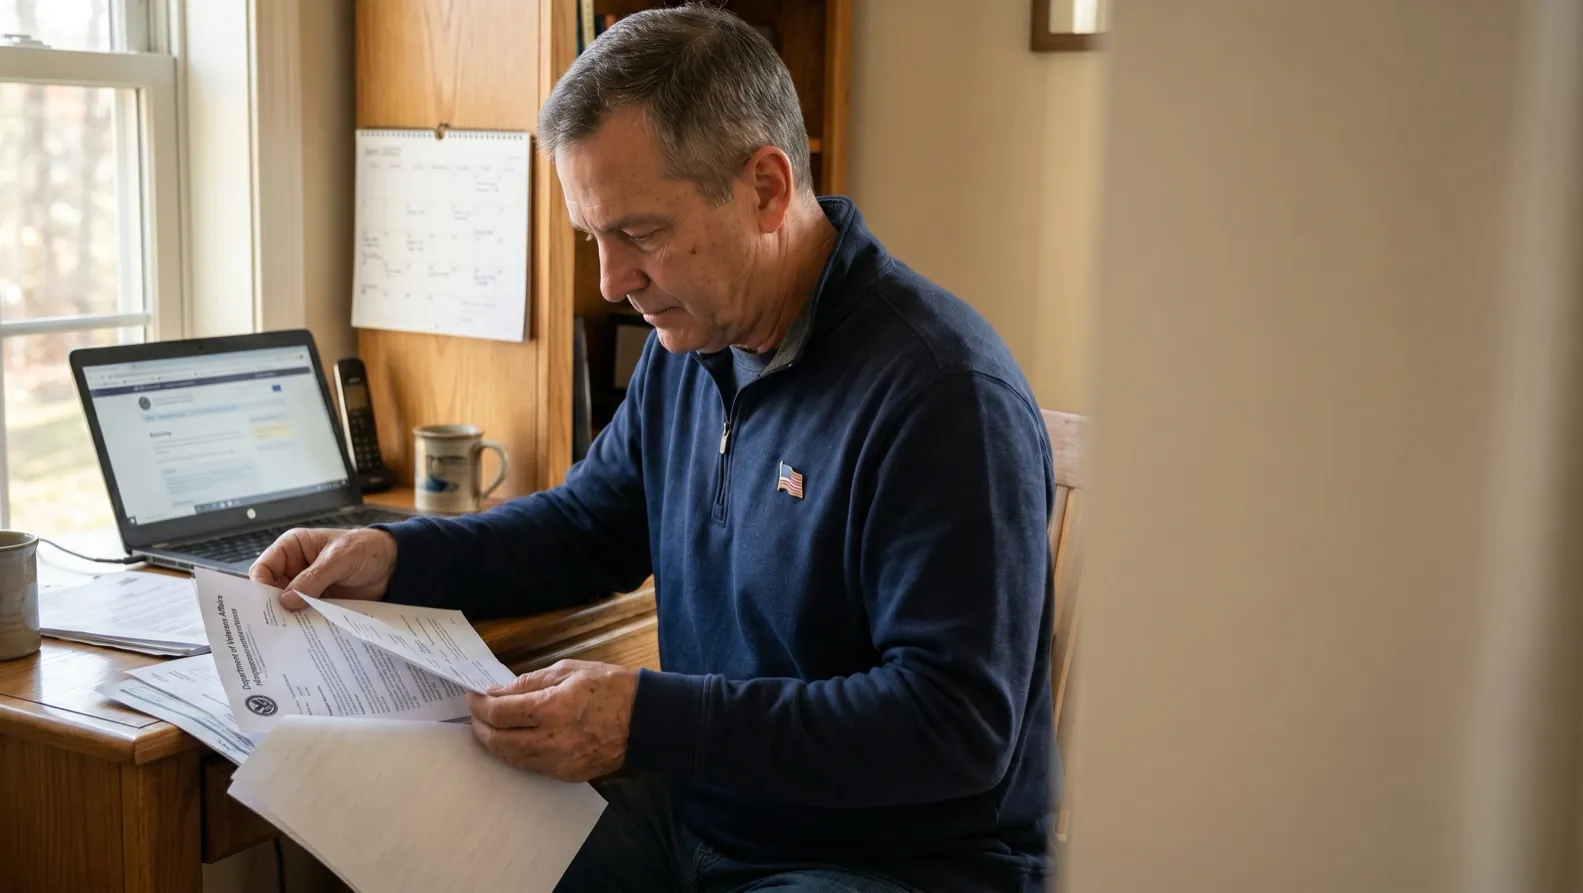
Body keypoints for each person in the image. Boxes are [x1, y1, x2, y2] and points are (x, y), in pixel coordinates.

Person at [251, 6, 1057, 891]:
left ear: (765, 187)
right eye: (592, 238)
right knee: (411, 851)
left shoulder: (942, 393)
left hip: (889, 862)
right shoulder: (694, 341)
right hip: (704, 819)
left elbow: (956, 725)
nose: (612, 281)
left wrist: (651, 721)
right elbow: (585, 528)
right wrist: (395, 555)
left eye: (639, 234)